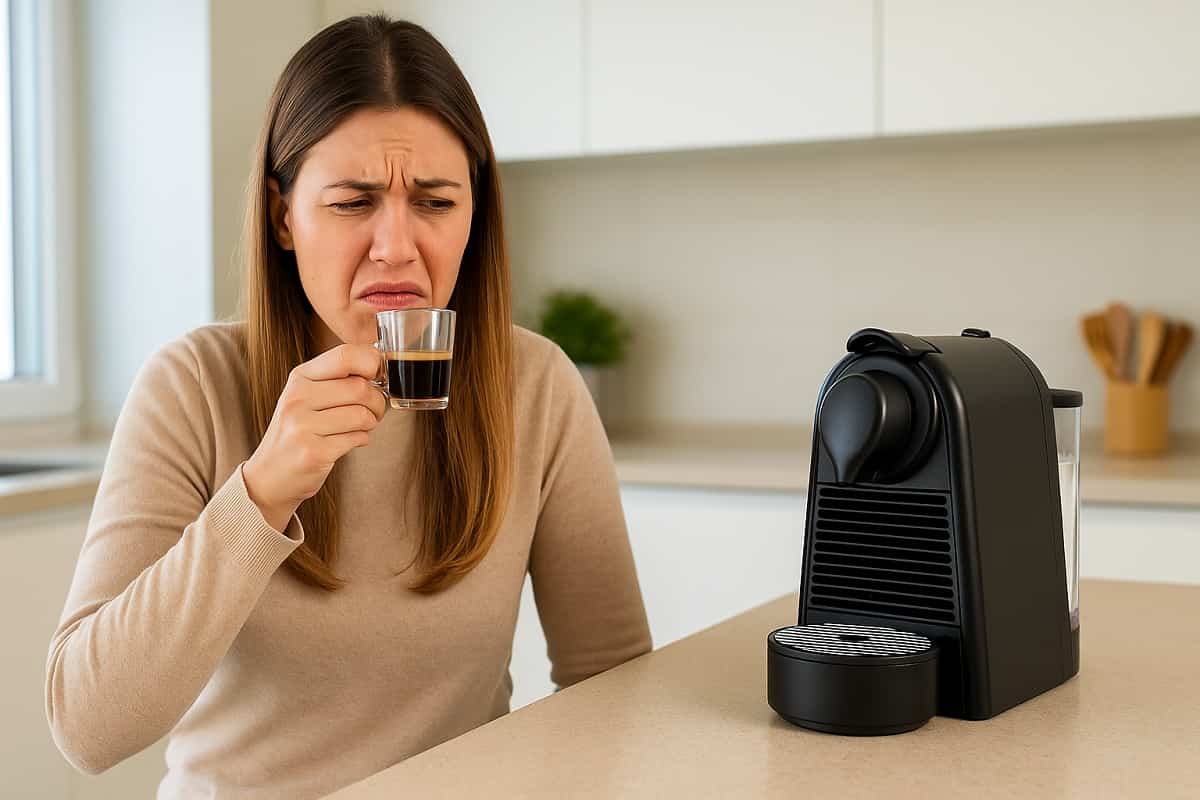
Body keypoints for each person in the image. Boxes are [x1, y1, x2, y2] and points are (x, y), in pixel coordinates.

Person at [45, 14, 651, 798]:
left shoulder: (535, 385)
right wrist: (260, 495)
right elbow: (87, 730)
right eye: (352, 202)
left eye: (435, 202)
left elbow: (613, 689)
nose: (396, 246)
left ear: (477, 214)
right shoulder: (192, 385)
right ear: (282, 217)